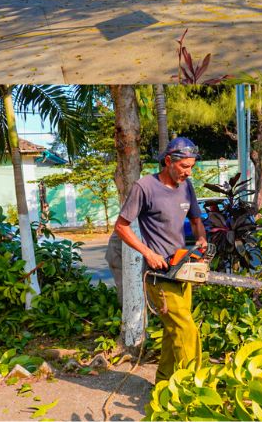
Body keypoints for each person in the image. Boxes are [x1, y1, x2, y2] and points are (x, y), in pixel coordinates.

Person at [108, 137, 208, 383]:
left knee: (174, 330)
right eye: (184, 166)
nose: (188, 172)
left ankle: (164, 382)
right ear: (168, 162)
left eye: (191, 167)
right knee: (186, 328)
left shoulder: (187, 187)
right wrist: (148, 253)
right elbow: (122, 227)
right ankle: (192, 387)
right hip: (158, 274)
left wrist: (201, 239)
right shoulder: (145, 187)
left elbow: (196, 221)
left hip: (182, 269)